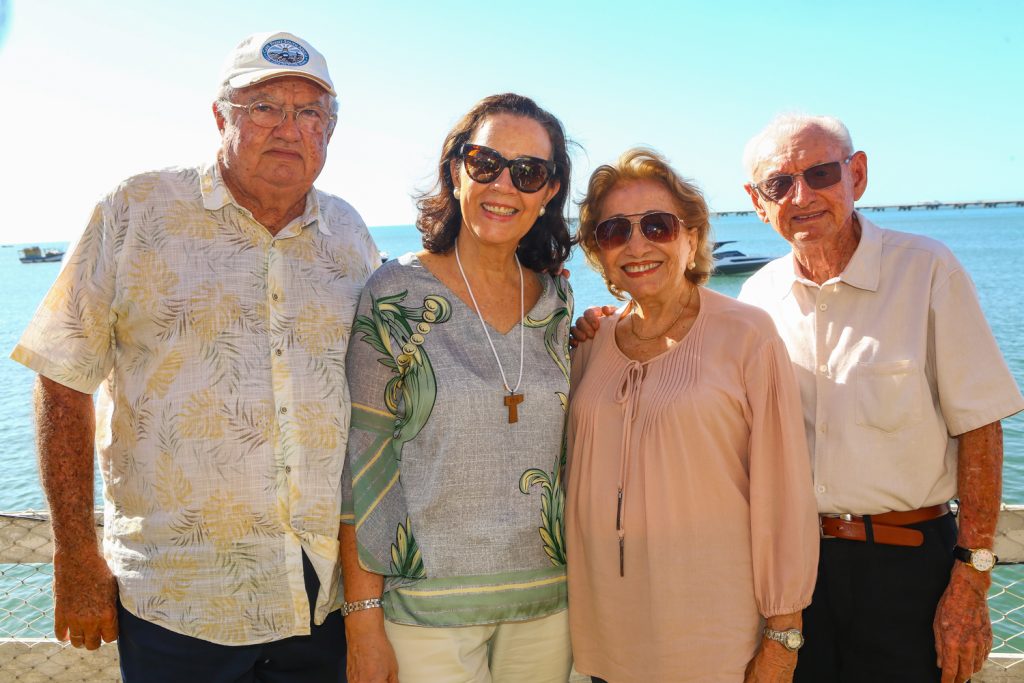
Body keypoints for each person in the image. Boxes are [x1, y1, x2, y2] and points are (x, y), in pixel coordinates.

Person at [11, 31, 380, 682]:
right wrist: (74, 552)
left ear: (332, 129)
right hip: (177, 605)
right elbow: (61, 379)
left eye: (310, 111)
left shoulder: (349, 235)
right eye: (263, 107)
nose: (289, 128)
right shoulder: (137, 210)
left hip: (318, 603)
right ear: (220, 116)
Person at [736, 114, 1024, 683]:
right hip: (790, 577)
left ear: (857, 174)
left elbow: (981, 429)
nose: (802, 196)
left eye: (820, 173)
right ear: (757, 200)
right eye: (779, 184)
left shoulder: (928, 269)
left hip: (909, 570)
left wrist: (971, 581)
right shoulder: (755, 297)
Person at [339, 93, 574, 683]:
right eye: (485, 163)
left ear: (549, 192)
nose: (504, 186)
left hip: (548, 603)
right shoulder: (393, 294)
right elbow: (362, 466)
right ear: (456, 170)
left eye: (529, 172)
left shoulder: (559, 302)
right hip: (424, 613)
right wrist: (362, 621)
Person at [566, 148, 819, 682]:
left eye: (657, 225)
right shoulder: (591, 344)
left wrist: (782, 637)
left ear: (692, 235)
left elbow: (783, 491)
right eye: (614, 231)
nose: (637, 245)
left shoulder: (747, 335)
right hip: (603, 635)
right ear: (599, 251)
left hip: (712, 637)